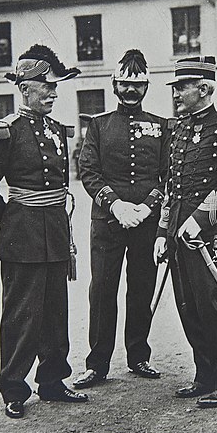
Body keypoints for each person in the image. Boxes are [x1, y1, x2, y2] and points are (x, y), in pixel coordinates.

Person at [0, 44, 88, 419]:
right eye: (47, 88)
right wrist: (12, 221)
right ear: (25, 88)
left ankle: (53, 381)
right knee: (22, 314)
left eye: (55, 88)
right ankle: (14, 389)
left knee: (55, 312)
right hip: (22, 235)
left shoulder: (56, 129)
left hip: (55, 230)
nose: (54, 94)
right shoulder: (5, 132)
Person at [153, 56, 217, 408]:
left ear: (204, 89)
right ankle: (204, 375)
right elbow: (170, 187)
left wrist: (200, 219)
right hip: (178, 233)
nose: (176, 93)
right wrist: (164, 231)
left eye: (182, 87)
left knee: (211, 307)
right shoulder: (177, 130)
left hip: (207, 234)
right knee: (188, 306)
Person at [73, 50, 171, 389]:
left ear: (146, 87)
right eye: (125, 84)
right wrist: (116, 206)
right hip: (108, 222)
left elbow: (168, 175)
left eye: (137, 85)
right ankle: (97, 364)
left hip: (146, 221)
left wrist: (146, 207)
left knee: (141, 287)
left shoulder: (162, 126)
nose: (131, 90)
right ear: (114, 85)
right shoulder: (98, 126)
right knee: (102, 290)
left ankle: (138, 356)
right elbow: (88, 171)